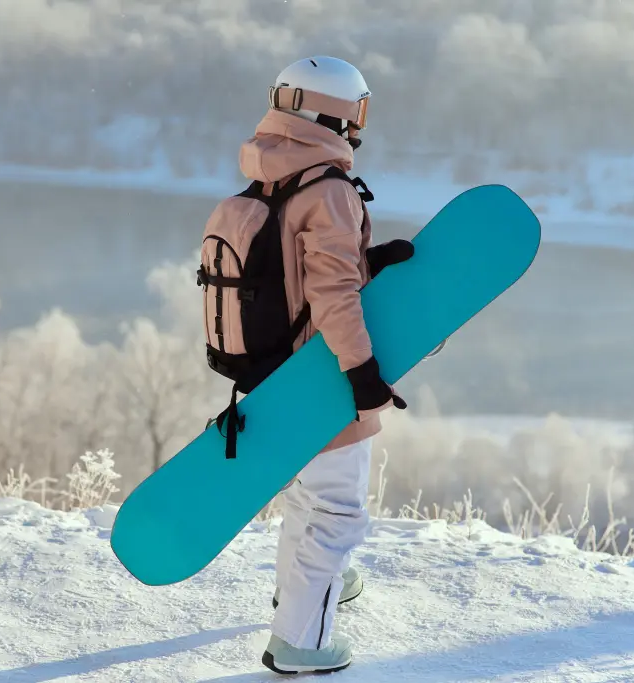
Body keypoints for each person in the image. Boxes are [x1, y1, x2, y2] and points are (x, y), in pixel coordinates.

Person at [203, 55, 414, 674]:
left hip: (273, 377)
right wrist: (362, 373)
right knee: (337, 513)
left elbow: (300, 278)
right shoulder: (328, 189)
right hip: (320, 375)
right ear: (337, 113)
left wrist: (369, 259)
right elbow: (330, 296)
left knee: (309, 501)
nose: (360, 127)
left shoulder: (271, 176)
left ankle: (308, 594)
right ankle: (302, 644)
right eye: (360, 112)